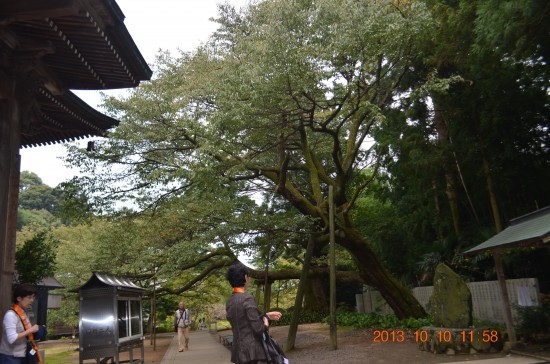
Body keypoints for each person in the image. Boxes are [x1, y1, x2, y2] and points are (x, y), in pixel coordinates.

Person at [225, 262, 282, 364]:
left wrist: (266, 315)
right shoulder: (247, 298)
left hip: (238, 352)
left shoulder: (230, 301)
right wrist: (265, 324)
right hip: (253, 352)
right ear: (246, 277)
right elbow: (258, 329)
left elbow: (242, 321)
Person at [0, 284, 42, 364]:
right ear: (19, 298)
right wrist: (30, 330)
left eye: (33, 297)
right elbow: (12, 338)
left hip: (22, 355)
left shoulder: (25, 313)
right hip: (10, 357)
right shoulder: (11, 315)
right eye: (29, 297)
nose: (32, 300)